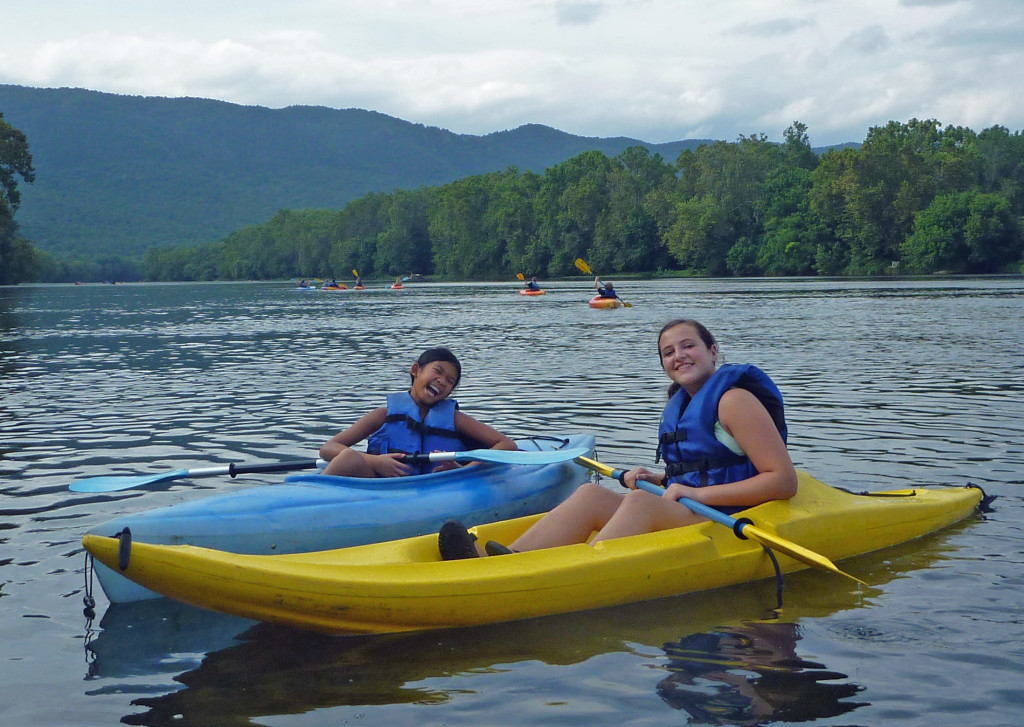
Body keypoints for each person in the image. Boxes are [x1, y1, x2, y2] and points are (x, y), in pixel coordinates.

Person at [438, 318, 797, 559]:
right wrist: (658, 480)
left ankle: (575, 570)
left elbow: (783, 481)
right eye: (668, 353)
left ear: (712, 351)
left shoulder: (734, 400)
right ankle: (503, 559)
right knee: (592, 493)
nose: (679, 356)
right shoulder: (681, 402)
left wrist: (695, 494)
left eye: (688, 346)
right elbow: (702, 470)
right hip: (696, 507)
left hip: (730, 516)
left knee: (639, 504)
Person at [320, 347, 517, 477]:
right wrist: (375, 461)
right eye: (437, 371)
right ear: (416, 370)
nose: (442, 381)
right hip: (380, 488)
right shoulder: (382, 415)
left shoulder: (456, 420)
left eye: (450, 381)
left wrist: (464, 469)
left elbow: (507, 445)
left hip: (432, 490)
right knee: (348, 458)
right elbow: (328, 448)